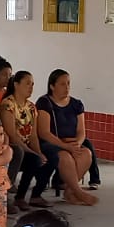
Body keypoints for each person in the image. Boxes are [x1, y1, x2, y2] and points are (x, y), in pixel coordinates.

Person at [36, 70, 99, 205]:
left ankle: (70, 192)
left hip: (71, 143)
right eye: (62, 84)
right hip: (51, 143)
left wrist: (77, 144)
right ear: (52, 86)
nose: (67, 87)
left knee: (86, 154)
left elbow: (81, 131)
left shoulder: (76, 104)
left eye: (68, 84)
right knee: (65, 157)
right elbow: (44, 132)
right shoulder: (44, 103)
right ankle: (78, 192)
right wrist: (64, 146)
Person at [0, 71, 54, 211]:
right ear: (16, 85)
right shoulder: (8, 105)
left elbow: (33, 135)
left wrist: (39, 152)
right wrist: (32, 152)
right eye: (27, 83)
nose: (31, 87)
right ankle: (14, 197)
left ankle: (33, 195)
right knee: (33, 158)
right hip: (12, 148)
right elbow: (12, 135)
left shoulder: (31, 107)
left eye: (32, 84)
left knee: (51, 155)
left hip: (26, 145)